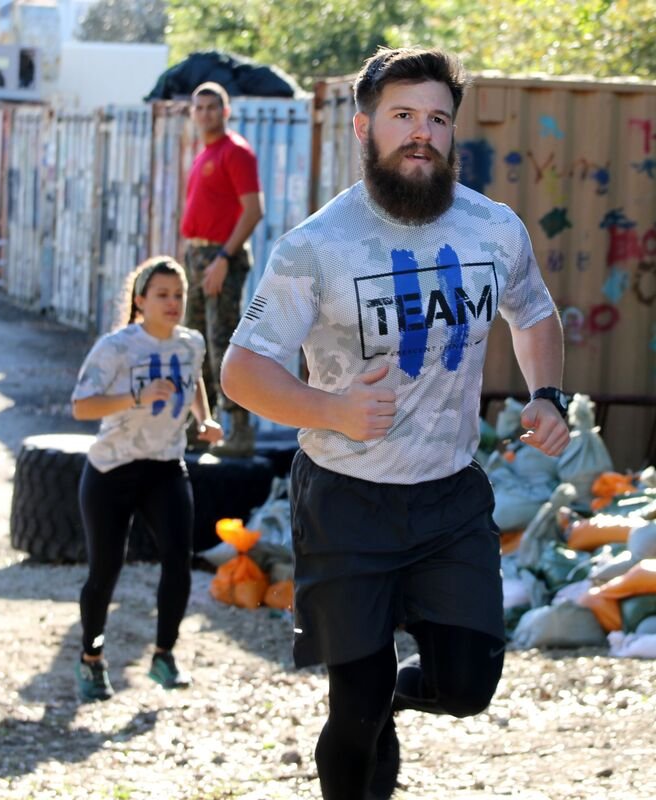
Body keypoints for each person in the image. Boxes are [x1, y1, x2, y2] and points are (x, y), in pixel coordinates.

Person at [220, 47, 571, 799]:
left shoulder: (493, 228)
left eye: (437, 119)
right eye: (403, 116)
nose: (422, 133)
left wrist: (548, 394)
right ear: (363, 126)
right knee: (354, 701)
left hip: (449, 495)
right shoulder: (315, 247)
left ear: (452, 132)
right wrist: (330, 408)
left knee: (468, 686)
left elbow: (534, 313)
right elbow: (241, 371)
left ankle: (394, 705)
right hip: (348, 498)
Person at [71, 256, 223, 702]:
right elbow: (81, 406)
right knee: (105, 570)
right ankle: (91, 658)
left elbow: (192, 380)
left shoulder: (191, 342)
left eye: (179, 295)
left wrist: (205, 419)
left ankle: (164, 654)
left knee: (179, 559)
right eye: (162, 295)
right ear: (140, 301)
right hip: (111, 470)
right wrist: (137, 396)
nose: (173, 303)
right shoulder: (116, 347)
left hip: (164, 466)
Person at [181, 81, 264, 457]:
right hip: (196, 257)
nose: (206, 114)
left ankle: (240, 432)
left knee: (222, 346)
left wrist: (223, 260)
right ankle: (201, 429)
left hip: (220, 259)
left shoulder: (235, 152)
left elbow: (253, 211)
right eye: (199, 107)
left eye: (213, 107)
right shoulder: (204, 153)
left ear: (226, 111)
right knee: (194, 345)